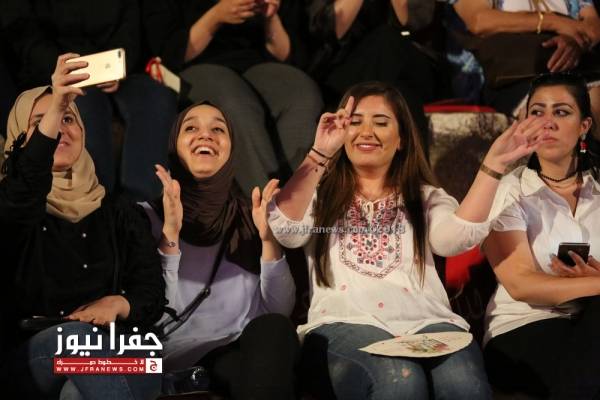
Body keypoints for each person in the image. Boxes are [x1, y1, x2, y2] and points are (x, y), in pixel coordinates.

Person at [267, 81, 550, 399]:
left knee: (464, 385)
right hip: (344, 322)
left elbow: (453, 240)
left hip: (429, 323)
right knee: (401, 379)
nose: (367, 132)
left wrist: (493, 166)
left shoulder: (425, 197)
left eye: (381, 122)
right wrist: (320, 153)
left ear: (401, 138)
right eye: (355, 122)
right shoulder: (319, 195)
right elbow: (287, 230)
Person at [0, 54, 166, 399]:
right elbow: (26, 183)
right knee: (78, 340)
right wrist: (59, 102)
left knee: (91, 385)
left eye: (68, 118)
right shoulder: (13, 207)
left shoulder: (119, 213)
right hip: (34, 356)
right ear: (18, 139)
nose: (60, 128)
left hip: (118, 351)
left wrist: (117, 304)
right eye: (42, 122)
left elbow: (150, 293)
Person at [140, 102, 299, 399]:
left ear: (231, 148)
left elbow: (279, 310)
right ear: (174, 145)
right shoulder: (142, 218)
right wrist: (170, 234)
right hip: (176, 358)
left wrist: (268, 240)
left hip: (243, 352)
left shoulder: (250, 217)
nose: (206, 135)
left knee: (275, 330)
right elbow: (149, 312)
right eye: (191, 128)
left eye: (218, 129)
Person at [483, 73, 600, 398]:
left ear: (584, 126)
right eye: (537, 112)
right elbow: (522, 284)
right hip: (522, 325)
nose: (547, 122)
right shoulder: (510, 190)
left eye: (561, 112)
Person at [2, 0, 178, 200]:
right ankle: (94, 201)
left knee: (156, 97)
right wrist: (71, 70)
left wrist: (116, 66)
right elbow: (24, 34)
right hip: (58, 72)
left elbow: (129, 27)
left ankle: (141, 201)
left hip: (115, 70)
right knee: (83, 106)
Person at [143, 0, 323, 194]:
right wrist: (216, 16)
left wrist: (270, 17)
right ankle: (266, 202)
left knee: (302, 93)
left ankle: (298, 197)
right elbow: (170, 54)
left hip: (256, 66)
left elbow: (291, 56)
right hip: (197, 67)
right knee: (234, 102)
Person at [450, 0, 600, 132]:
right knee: (551, 106)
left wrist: (573, 41)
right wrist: (555, 22)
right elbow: (479, 20)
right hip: (510, 73)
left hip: (575, 66)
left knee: (594, 100)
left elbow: (593, 27)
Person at [305, 0, 436, 143]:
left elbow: (413, 21)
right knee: (404, 96)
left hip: (409, 62)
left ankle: (342, 123)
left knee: (387, 40)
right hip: (346, 68)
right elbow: (330, 30)